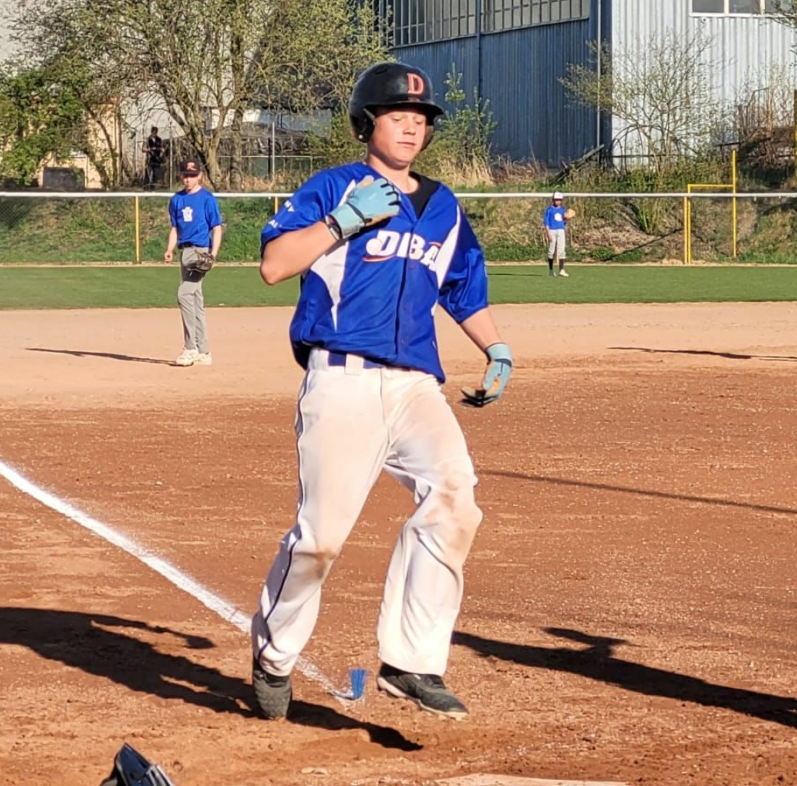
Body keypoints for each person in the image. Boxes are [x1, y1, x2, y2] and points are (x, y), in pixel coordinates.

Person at [249, 61, 513, 724]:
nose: (412, 128)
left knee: (455, 498)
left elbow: (462, 288)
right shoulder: (333, 187)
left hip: (416, 384)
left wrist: (496, 348)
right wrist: (342, 222)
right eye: (398, 116)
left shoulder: (443, 206)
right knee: (320, 539)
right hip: (341, 380)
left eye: (421, 119)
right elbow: (275, 266)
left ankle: (412, 662)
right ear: (367, 124)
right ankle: (274, 655)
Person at [163, 159, 223, 367]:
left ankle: (190, 348)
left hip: (200, 252)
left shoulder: (207, 199)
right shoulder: (177, 200)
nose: (188, 179)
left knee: (184, 294)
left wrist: (213, 254)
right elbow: (175, 229)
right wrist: (169, 249)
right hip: (185, 251)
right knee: (195, 300)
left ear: (200, 176)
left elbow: (217, 228)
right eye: (185, 175)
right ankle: (204, 351)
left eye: (192, 175)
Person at [544, 190, 571, 277]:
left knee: (562, 250)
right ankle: (551, 270)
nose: (557, 201)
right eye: (556, 200)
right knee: (551, 250)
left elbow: (563, 222)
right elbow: (546, 223)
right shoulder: (549, 210)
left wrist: (566, 218)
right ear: (553, 200)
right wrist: (548, 233)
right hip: (552, 230)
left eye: (559, 200)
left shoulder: (563, 210)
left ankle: (561, 270)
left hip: (561, 230)